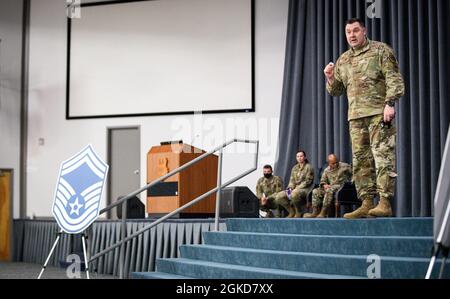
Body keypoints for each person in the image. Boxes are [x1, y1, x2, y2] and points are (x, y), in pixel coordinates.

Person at [324, 18, 405, 218]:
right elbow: (337, 91)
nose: (352, 35)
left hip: (379, 114)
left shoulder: (380, 51)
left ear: (364, 31)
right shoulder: (343, 60)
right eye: (348, 32)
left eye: (356, 30)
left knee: (382, 157)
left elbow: (394, 78)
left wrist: (390, 103)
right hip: (356, 118)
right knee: (361, 162)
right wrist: (330, 77)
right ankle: (367, 202)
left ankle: (384, 203)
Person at [304, 154, 352, 218]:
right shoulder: (327, 170)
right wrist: (324, 185)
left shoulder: (345, 166)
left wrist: (350, 182)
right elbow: (322, 180)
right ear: (329, 163)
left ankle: (323, 212)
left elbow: (353, 173)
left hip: (342, 187)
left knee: (330, 189)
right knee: (315, 191)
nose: (335, 164)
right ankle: (315, 212)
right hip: (331, 187)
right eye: (333, 163)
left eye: (336, 162)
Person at [274, 151, 314, 218]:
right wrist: (290, 188)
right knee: (279, 196)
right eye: (298, 156)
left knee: (294, 193)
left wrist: (297, 188)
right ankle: (291, 212)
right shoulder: (294, 168)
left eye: (301, 156)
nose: (299, 158)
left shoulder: (309, 167)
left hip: (306, 189)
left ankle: (298, 212)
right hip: (294, 189)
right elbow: (292, 181)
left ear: (304, 157)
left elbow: (307, 181)